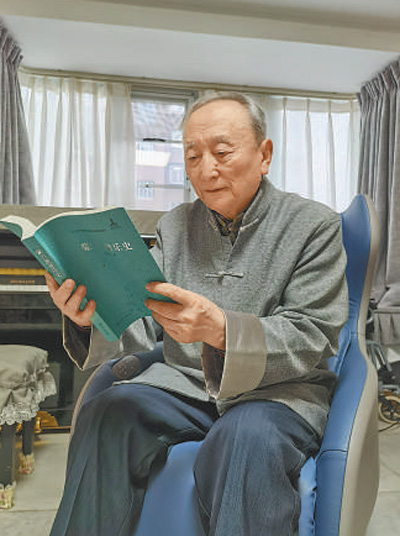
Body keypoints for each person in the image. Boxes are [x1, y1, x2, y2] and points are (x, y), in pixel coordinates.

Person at [46, 92, 348, 536]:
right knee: (107, 412)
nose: (205, 171)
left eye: (222, 153)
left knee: (246, 438)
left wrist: (222, 330)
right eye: (192, 156)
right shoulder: (173, 225)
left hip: (277, 393)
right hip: (183, 387)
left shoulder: (314, 225)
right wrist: (87, 318)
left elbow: (313, 333)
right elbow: (142, 317)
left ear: (264, 155)